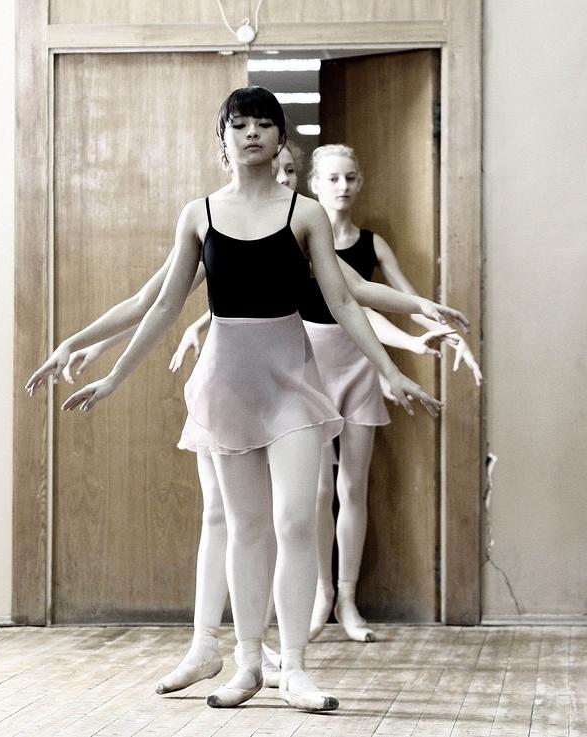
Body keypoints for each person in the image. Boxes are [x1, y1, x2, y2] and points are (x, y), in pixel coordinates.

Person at [46, 86, 442, 712]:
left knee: (295, 522)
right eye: (239, 124)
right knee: (247, 527)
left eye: (263, 123)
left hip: (292, 385)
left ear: (281, 138)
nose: (251, 132)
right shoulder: (198, 214)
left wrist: (392, 371)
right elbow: (161, 305)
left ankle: (297, 669)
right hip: (227, 386)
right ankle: (248, 662)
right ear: (222, 139)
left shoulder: (305, 214)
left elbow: (344, 299)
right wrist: (112, 374)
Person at [301, 144, 482, 642]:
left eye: (350, 178)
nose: (342, 187)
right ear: (314, 185)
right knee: (317, 491)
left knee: (352, 488)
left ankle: (348, 600)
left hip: (359, 363)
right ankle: (320, 594)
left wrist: (449, 334)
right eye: (332, 178)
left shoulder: (372, 244)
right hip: (309, 364)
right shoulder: (302, 237)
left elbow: (405, 300)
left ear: (360, 183)